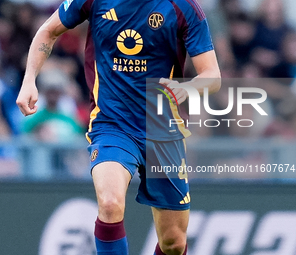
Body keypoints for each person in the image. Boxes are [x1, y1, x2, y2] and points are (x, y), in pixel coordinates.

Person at [16, 0, 221, 254]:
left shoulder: (184, 7)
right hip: (112, 123)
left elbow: (212, 76)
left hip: (161, 128)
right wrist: (29, 80)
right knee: (110, 203)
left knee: (173, 243)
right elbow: (49, 30)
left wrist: (186, 89)